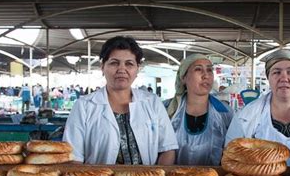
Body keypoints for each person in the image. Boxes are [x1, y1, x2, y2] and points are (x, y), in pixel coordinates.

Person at [63, 36, 178, 165]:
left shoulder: (153, 103)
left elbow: (167, 149)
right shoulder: (84, 106)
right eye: (114, 63)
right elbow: (73, 156)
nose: (122, 69)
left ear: (137, 69)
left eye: (129, 64)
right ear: (102, 67)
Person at [165, 54, 233, 166]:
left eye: (209, 70)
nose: (206, 75)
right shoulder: (167, 109)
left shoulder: (225, 113)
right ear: (183, 77)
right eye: (198, 69)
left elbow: (232, 153)